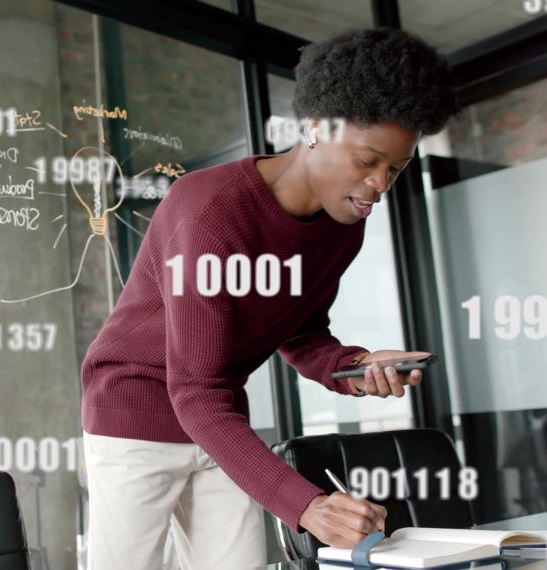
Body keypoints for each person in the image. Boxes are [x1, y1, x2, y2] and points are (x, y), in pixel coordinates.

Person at [79, 27, 460, 569]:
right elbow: (194, 389)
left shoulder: (341, 225)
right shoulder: (210, 213)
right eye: (366, 160)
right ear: (313, 129)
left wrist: (352, 365)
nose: (379, 184)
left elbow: (299, 332)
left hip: (219, 419)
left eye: (394, 169)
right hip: (135, 413)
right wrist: (309, 508)